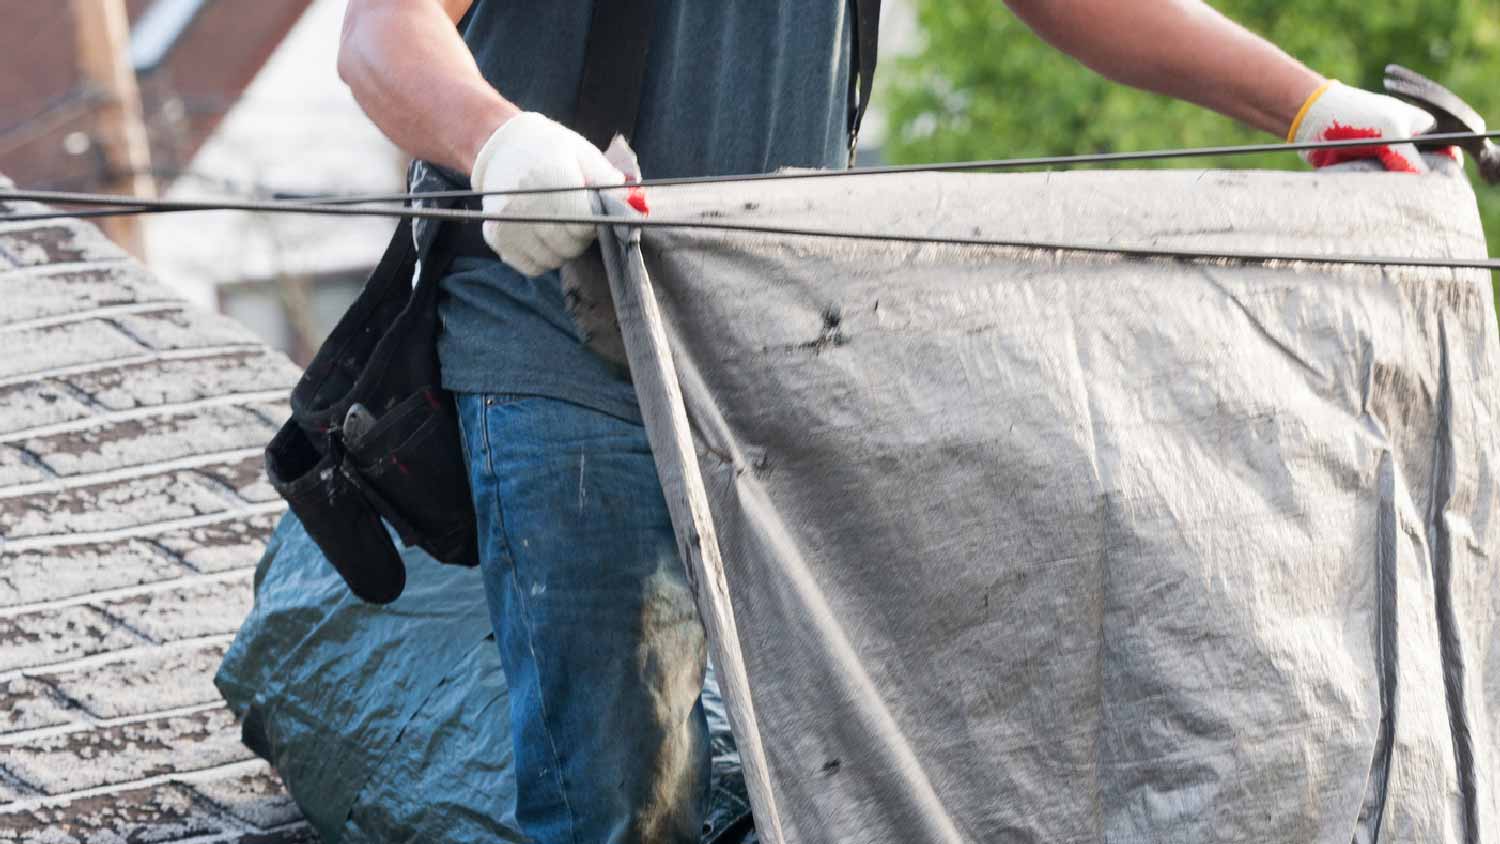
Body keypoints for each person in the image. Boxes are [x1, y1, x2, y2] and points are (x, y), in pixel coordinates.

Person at [336, 2, 1445, 841]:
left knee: (865, 762)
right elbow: (380, 33)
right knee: (627, 789)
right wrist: (495, 140)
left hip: (779, 345)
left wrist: (1301, 102)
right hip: (562, 351)